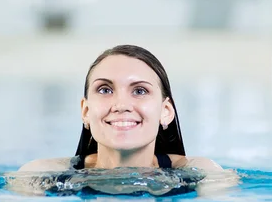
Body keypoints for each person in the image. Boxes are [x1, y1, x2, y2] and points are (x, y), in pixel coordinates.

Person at [19, 44, 228, 178]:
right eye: (105, 89)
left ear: (165, 111)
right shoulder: (39, 174)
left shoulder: (204, 174)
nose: (121, 104)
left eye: (139, 90)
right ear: (85, 111)